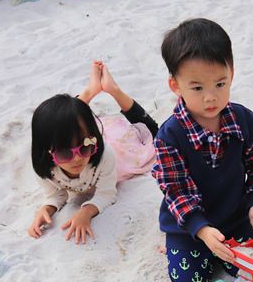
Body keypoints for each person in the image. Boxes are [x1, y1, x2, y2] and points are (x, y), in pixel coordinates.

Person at [151, 18, 253, 282]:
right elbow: (176, 190)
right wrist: (202, 230)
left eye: (220, 84)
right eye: (197, 88)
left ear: (232, 73)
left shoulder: (245, 120)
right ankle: (183, 246)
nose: (211, 98)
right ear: (175, 85)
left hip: (234, 217)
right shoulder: (169, 137)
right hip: (190, 227)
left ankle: (222, 245)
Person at [28, 61, 158, 244]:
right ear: (47, 153)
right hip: (81, 136)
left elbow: (107, 193)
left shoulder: (103, 155)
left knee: (155, 134)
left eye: (84, 149)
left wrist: (86, 212)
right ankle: (91, 91)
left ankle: (113, 90)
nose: (78, 158)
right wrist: (47, 208)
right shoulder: (44, 167)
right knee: (65, 123)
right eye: (65, 154)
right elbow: (57, 194)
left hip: (117, 147)